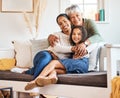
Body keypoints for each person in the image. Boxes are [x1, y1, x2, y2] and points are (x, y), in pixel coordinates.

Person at [25, 25, 95, 91]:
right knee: (53, 69)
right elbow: (59, 49)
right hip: (77, 68)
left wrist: (86, 47)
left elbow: (96, 43)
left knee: (53, 63)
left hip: (82, 64)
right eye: (74, 34)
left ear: (83, 36)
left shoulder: (84, 45)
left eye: (79, 34)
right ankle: (52, 77)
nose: (76, 36)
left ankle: (35, 80)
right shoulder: (72, 45)